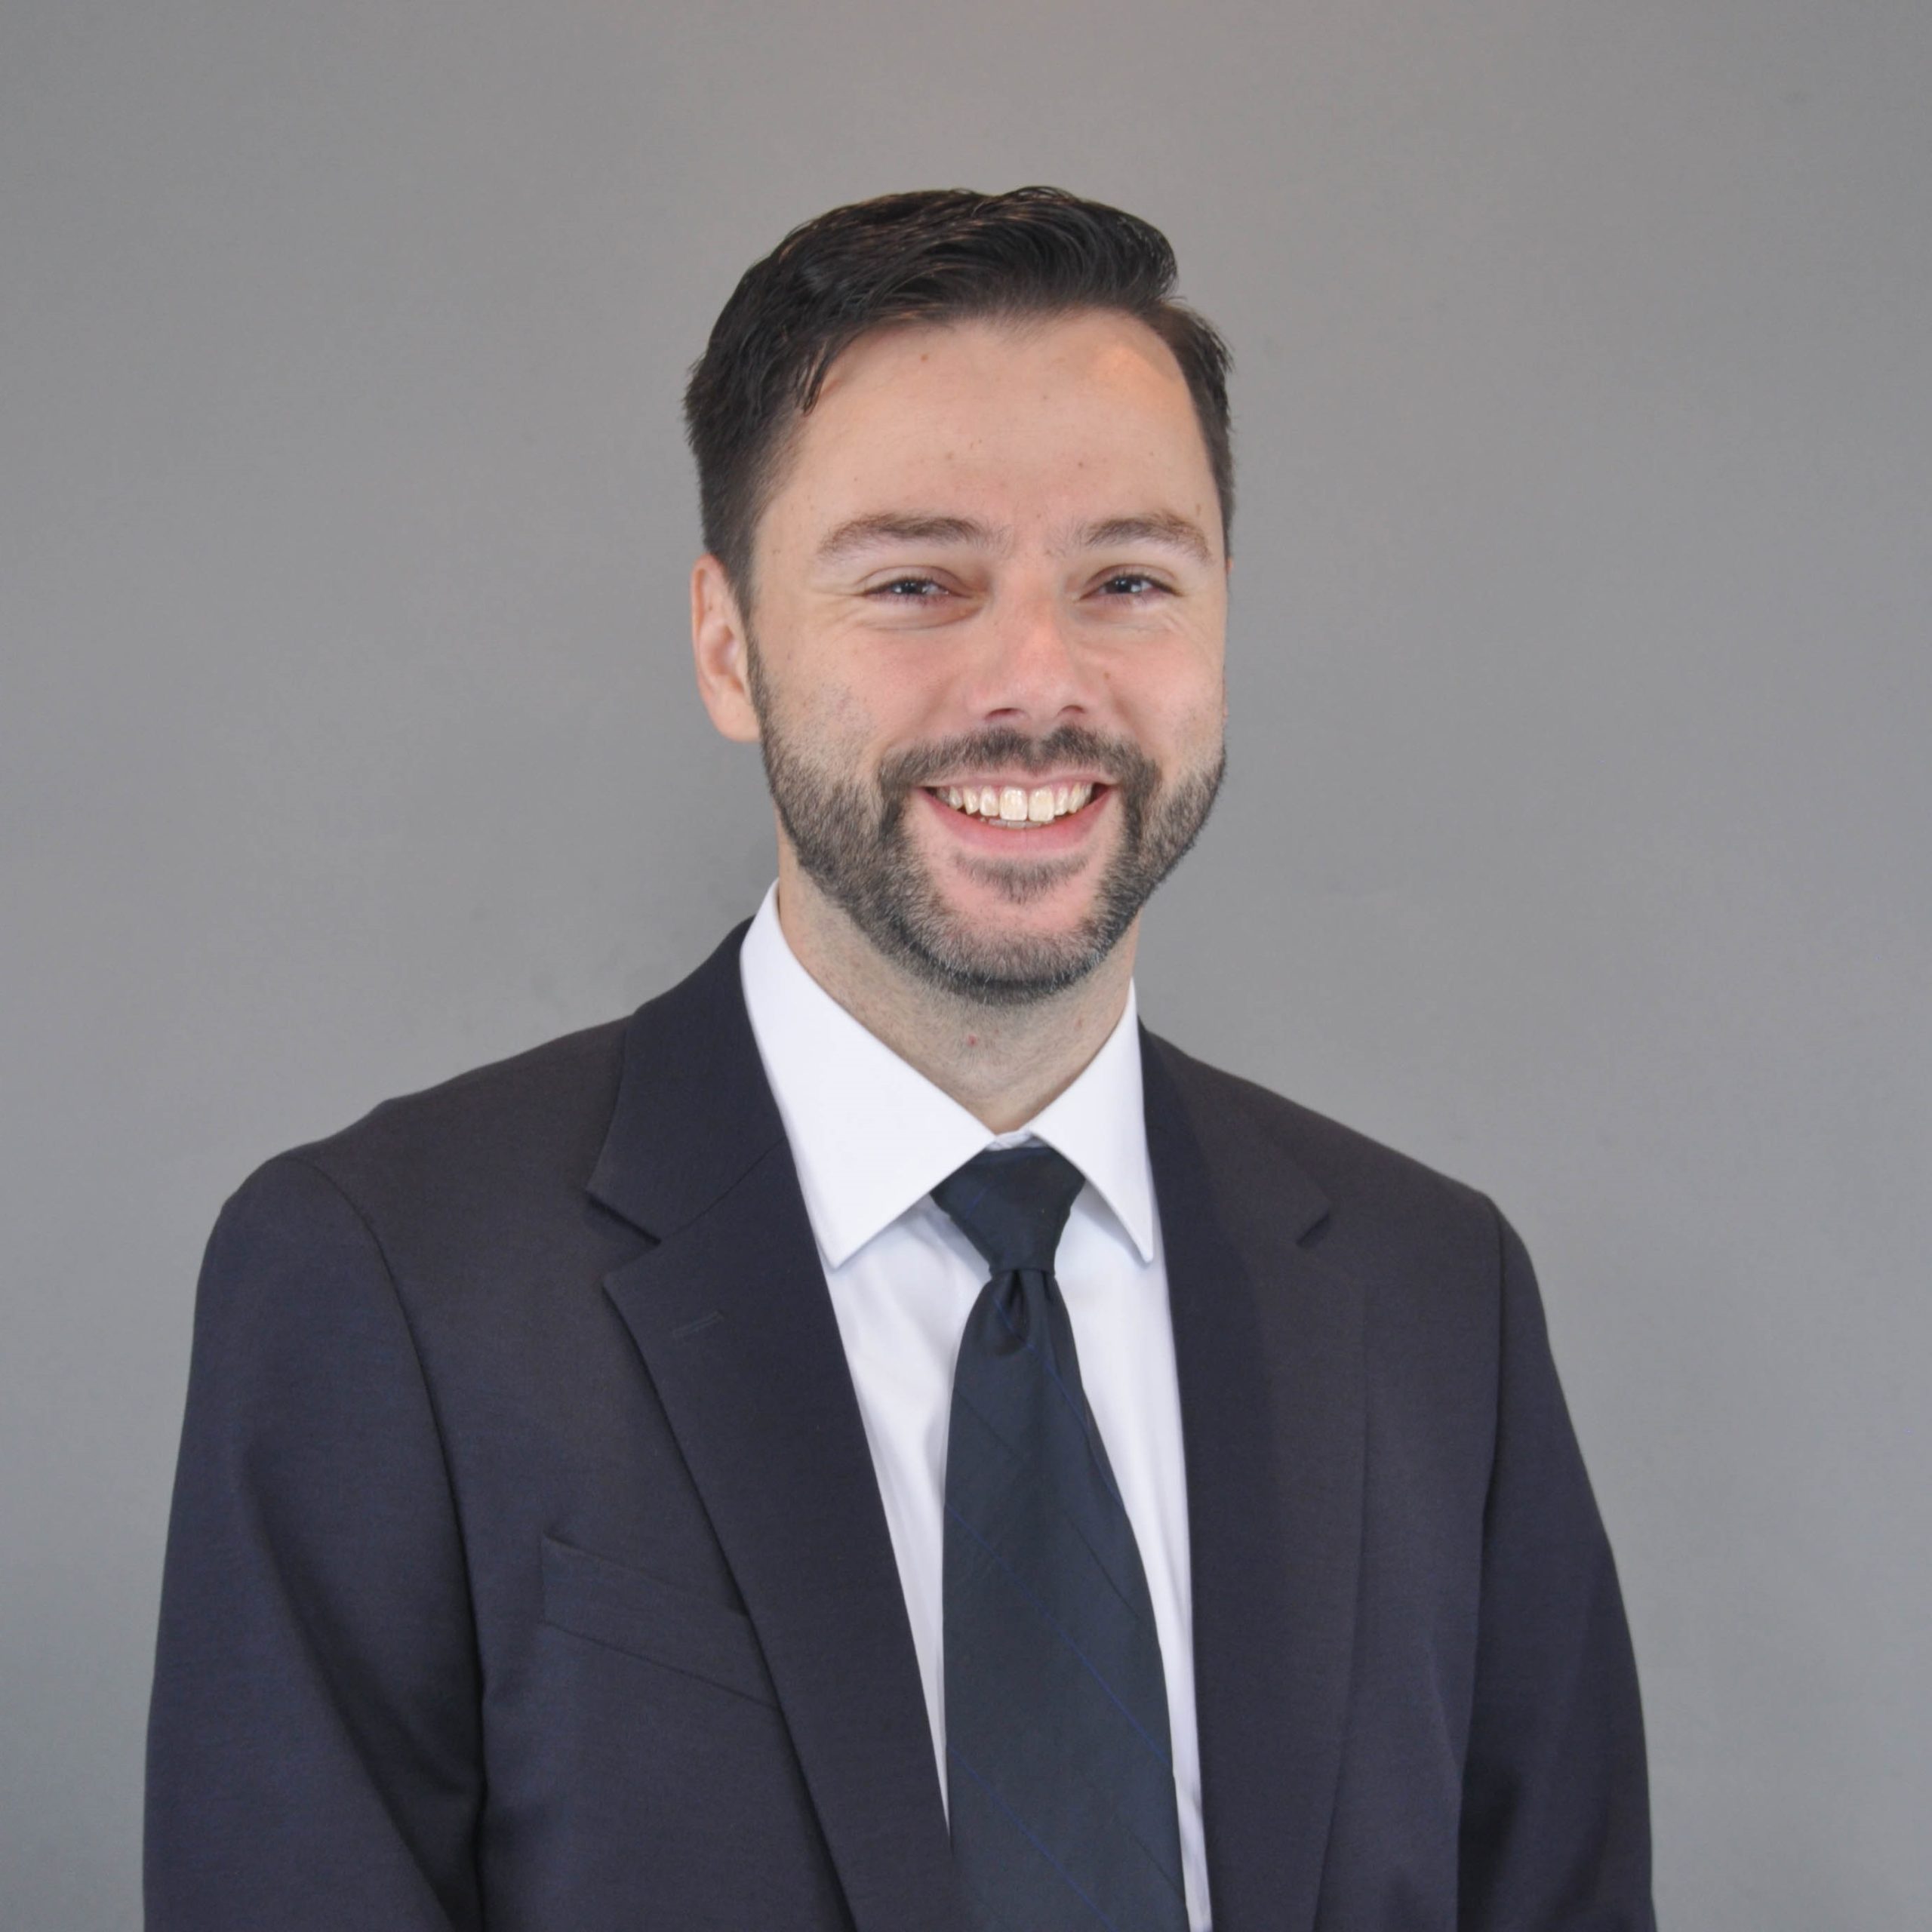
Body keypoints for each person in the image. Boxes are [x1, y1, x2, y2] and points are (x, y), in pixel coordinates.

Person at [146, 186, 1654, 1931]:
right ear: (729, 644)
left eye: (1127, 578)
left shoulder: (1434, 1298)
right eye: (917, 581)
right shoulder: (389, 1280)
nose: (1036, 678)